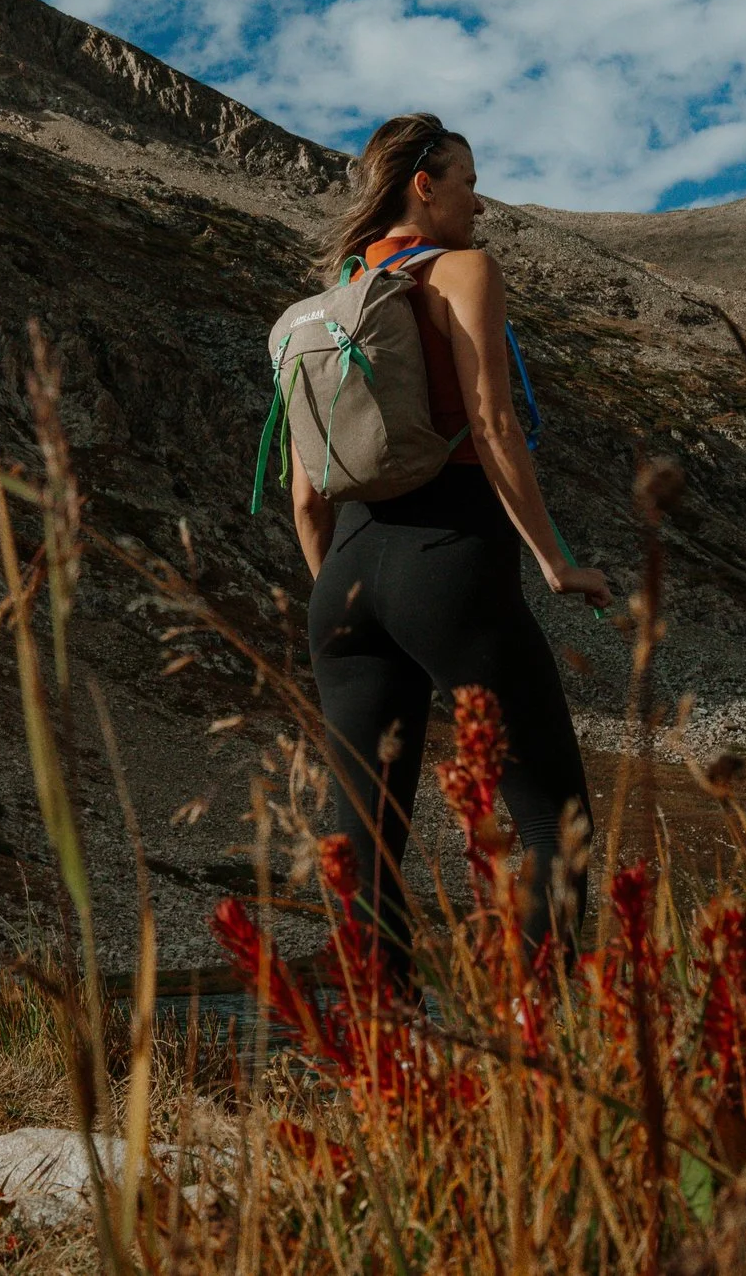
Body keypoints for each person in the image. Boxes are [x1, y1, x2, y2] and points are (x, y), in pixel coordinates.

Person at [291, 112, 614, 985]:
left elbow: (305, 493)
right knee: (555, 822)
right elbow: (493, 422)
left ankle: (384, 1064)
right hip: (450, 557)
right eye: (468, 180)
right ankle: (538, 1044)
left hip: (346, 583)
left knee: (366, 843)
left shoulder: (333, 303)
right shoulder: (459, 272)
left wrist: (351, 606)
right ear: (424, 185)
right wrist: (552, 560)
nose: (481, 201)